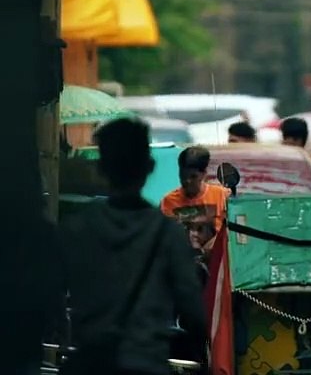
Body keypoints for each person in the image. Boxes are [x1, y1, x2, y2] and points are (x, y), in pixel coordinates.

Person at [58, 118, 207, 375]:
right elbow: (192, 310)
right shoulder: (168, 234)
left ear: (100, 168)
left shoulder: (76, 229)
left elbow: (49, 296)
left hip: (91, 364)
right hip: (146, 365)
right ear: (150, 166)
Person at [159, 146, 230, 249]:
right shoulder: (168, 202)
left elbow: (230, 233)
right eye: (183, 175)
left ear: (204, 174)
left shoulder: (222, 196)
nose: (187, 181)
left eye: (193, 177)